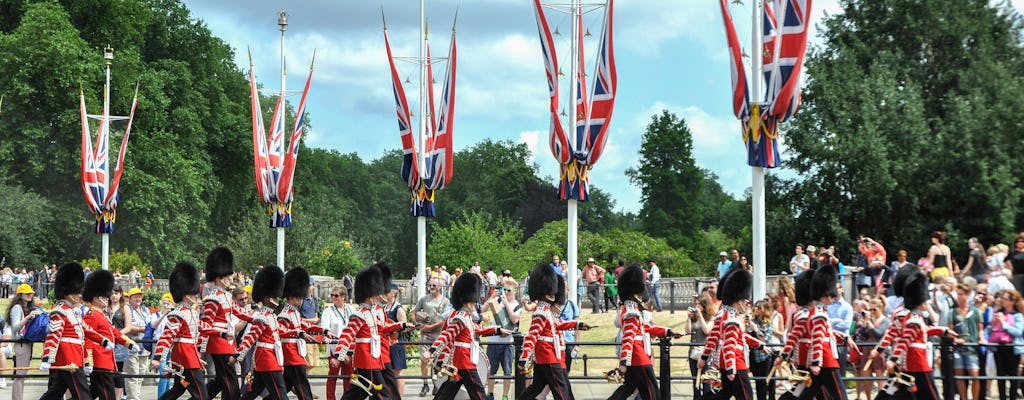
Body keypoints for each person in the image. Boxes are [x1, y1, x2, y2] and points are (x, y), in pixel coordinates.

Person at [430, 273, 512, 400]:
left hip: (460, 361)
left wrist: (498, 330)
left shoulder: (466, 317)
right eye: (474, 301)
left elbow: (479, 329)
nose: (476, 303)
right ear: (467, 301)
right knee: (479, 393)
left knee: (446, 394)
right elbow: (446, 335)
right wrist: (431, 350)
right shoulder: (460, 317)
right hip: (464, 361)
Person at [516, 264, 591, 400]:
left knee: (537, 388)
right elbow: (532, 336)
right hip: (548, 357)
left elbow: (559, 325)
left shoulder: (547, 311)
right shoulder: (540, 312)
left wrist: (579, 325)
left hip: (551, 356)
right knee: (561, 393)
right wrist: (524, 358)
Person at [39, 263, 112, 400]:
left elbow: (87, 330)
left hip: (75, 358)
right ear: (67, 292)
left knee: (54, 393)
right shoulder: (59, 311)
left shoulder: (74, 312)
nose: (79, 295)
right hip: (68, 359)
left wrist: (103, 340)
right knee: (83, 395)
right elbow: (53, 336)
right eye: (76, 292)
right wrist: (47, 358)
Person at [330, 264, 400, 400]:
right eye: (375, 294)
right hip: (367, 360)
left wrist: (401, 325)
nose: (377, 297)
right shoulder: (360, 314)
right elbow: (347, 335)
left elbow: (381, 328)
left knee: (355, 394)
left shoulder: (371, 313)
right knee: (382, 394)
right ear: (369, 294)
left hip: (373, 359)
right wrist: (338, 356)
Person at [888, 267, 957, 400]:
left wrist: (944, 330)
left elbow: (924, 329)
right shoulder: (905, 314)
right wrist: (893, 359)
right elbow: (905, 338)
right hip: (915, 360)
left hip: (906, 361)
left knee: (900, 392)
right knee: (929, 394)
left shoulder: (911, 314)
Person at [699, 268, 765, 400]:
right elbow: (729, 344)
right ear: (738, 299)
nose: (747, 303)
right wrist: (730, 368)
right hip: (735, 362)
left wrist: (760, 345)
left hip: (726, 361)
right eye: (745, 300)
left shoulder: (723, 314)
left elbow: (718, 337)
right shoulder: (732, 318)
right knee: (746, 396)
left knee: (724, 394)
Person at [151, 262, 209, 400]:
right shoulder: (177, 313)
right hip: (185, 359)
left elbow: (203, 329)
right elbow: (166, 337)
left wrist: (222, 332)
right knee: (202, 395)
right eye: (193, 293)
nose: (196, 296)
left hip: (190, 357)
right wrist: (158, 357)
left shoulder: (192, 312)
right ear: (185, 294)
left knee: (178, 389)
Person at [200, 247, 250, 400]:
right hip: (218, 343)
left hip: (227, 343)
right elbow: (205, 325)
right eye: (227, 276)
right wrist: (221, 333)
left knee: (221, 381)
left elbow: (239, 312)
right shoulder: (212, 298)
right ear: (218, 278)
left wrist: (258, 317)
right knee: (230, 381)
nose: (230, 278)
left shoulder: (227, 295)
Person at [82, 270, 139, 400]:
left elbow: (113, 333)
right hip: (99, 362)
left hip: (107, 360)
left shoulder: (102, 314)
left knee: (92, 393)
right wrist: (88, 361)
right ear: (96, 298)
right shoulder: (92, 315)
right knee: (108, 395)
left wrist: (129, 344)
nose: (107, 298)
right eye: (104, 296)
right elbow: (88, 339)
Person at [799, 264, 853, 400]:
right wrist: (816, 362)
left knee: (806, 394)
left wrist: (845, 339)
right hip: (826, 360)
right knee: (841, 395)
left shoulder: (818, 311)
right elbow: (817, 337)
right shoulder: (819, 314)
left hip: (822, 359)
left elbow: (827, 333)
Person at [279, 268, 334, 400]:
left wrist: (324, 331)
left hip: (296, 354)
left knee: (285, 387)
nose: (302, 298)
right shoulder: (284, 314)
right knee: (303, 388)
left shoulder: (294, 313)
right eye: (299, 296)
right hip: (291, 356)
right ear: (292, 297)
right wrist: (299, 333)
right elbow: (282, 332)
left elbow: (306, 326)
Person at [236, 266, 288, 400]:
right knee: (280, 394)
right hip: (267, 360)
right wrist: (238, 356)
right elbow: (250, 338)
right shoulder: (262, 317)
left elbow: (280, 333)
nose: (277, 300)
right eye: (274, 297)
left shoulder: (271, 315)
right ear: (266, 299)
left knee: (252, 393)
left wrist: (300, 333)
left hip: (270, 358)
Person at [411, 277, 450, 397]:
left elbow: (446, 319)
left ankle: (436, 384)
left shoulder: (445, 301)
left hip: (439, 334)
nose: (431, 287)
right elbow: (413, 312)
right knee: (424, 359)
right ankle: (425, 384)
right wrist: (417, 324)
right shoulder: (424, 299)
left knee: (438, 361)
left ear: (440, 287)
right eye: (430, 285)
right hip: (425, 334)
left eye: (434, 285)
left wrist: (432, 326)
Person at [484, 278, 521, 400]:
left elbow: (515, 319)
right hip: (493, 341)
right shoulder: (497, 301)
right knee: (491, 370)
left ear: (514, 291)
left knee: (507, 371)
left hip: (507, 342)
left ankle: (505, 395)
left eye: (509, 290)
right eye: (504, 290)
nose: (506, 292)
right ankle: (490, 393)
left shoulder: (517, 305)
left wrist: (506, 305)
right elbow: (481, 310)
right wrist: (491, 298)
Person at [988, 289, 1024, 400]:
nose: (1002, 300)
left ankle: (1013, 397)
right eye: (1002, 298)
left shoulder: (1018, 315)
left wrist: (1004, 323)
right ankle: (1002, 397)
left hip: (1012, 348)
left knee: (1013, 376)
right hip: (999, 348)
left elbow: (1018, 332)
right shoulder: (999, 312)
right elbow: (990, 331)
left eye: (1005, 298)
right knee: (1000, 376)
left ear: (1012, 301)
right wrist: (993, 323)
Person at [321, 287, 356, 400]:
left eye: (336, 295)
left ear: (343, 297)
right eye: (332, 295)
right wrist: (327, 332)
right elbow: (325, 326)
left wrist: (348, 352)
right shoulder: (328, 311)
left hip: (349, 349)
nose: (333, 298)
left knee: (348, 377)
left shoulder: (351, 309)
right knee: (333, 377)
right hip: (334, 348)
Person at [7, 283, 40, 400]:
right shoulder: (17, 308)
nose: (29, 295)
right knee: (20, 376)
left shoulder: (26, 308)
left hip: (26, 344)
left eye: (30, 293)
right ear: (20, 295)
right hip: (21, 345)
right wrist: (28, 317)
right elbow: (15, 327)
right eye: (27, 293)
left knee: (22, 376)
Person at [951, 283, 984, 400]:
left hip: (971, 348)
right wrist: (955, 339)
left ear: (968, 295)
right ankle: (963, 398)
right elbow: (950, 330)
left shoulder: (976, 312)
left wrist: (982, 339)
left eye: (963, 294)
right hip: (958, 349)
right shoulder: (953, 312)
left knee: (975, 375)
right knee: (959, 376)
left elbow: (980, 329)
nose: (960, 297)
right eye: (958, 294)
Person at [853, 297, 890, 400]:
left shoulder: (885, 321)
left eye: (874, 309)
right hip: (867, 349)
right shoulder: (869, 320)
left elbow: (879, 334)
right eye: (870, 309)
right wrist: (865, 324)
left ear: (881, 308)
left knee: (880, 377)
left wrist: (870, 324)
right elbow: (863, 335)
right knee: (866, 376)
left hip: (879, 350)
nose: (872, 312)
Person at [124, 286, 150, 400]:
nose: (138, 298)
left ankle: (137, 396)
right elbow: (128, 327)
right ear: (130, 299)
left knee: (141, 374)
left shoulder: (145, 310)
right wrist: (141, 329)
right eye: (135, 297)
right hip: (132, 346)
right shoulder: (127, 310)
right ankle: (132, 398)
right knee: (133, 375)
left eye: (140, 296)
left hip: (144, 347)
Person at [686, 294, 715, 394]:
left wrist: (700, 316)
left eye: (699, 304)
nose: (697, 306)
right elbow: (688, 331)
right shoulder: (694, 318)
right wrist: (689, 318)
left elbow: (707, 331)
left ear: (705, 305)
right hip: (693, 352)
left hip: (704, 352)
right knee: (695, 382)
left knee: (706, 381)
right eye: (696, 304)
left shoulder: (711, 318)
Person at [383, 283, 408, 397]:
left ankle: (399, 396)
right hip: (387, 343)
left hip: (396, 343)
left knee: (397, 371)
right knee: (389, 372)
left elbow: (404, 328)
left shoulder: (398, 309)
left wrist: (394, 334)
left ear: (393, 293)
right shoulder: (385, 307)